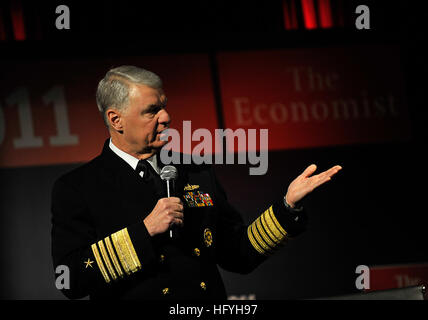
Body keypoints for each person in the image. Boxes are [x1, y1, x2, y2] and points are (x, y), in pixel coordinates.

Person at [51, 65, 341, 300]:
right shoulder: (79, 187)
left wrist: (287, 207)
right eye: (152, 111)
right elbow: (71, 279)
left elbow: (239, 253)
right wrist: (145, 230)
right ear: (116, 120)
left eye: (164, 106)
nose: (166, 117)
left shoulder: (196, 171)